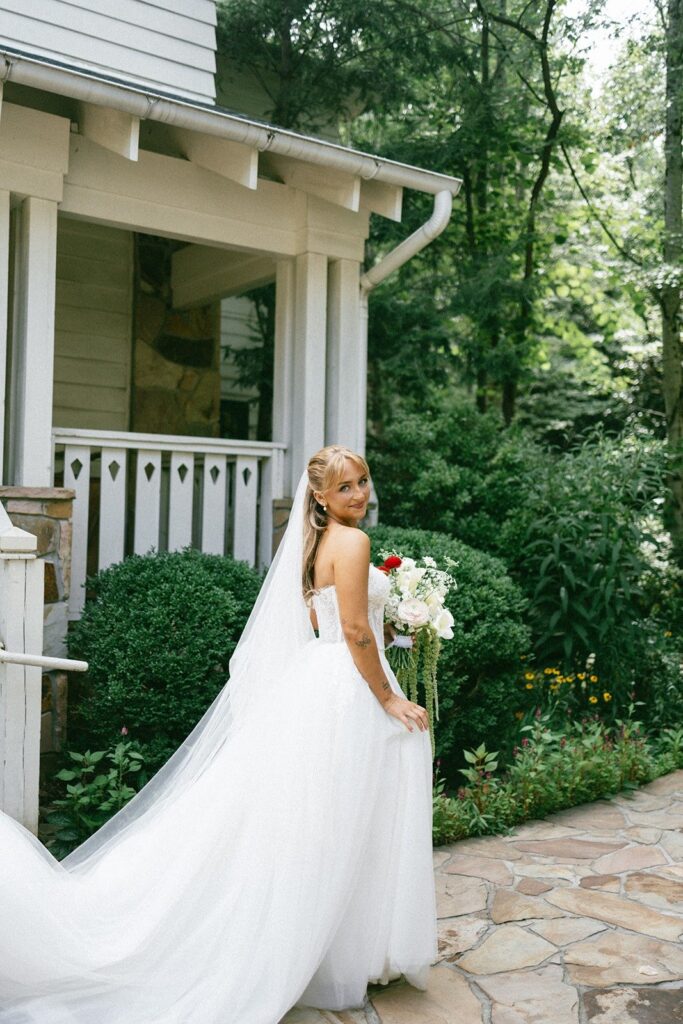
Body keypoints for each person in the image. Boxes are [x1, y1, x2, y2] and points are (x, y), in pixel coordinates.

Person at [0, 444, 437, 1024]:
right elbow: (355, 630)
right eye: (346, 487)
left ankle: (336, 947)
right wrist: (390, 697)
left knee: (323, 819)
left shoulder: (315, 543)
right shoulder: (352, 542)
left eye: (362, 482)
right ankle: (340, 948)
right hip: (344, 686)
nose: (359, 494)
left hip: (319, 678)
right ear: (323, 498)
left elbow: (319, 617)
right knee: (343, 812)